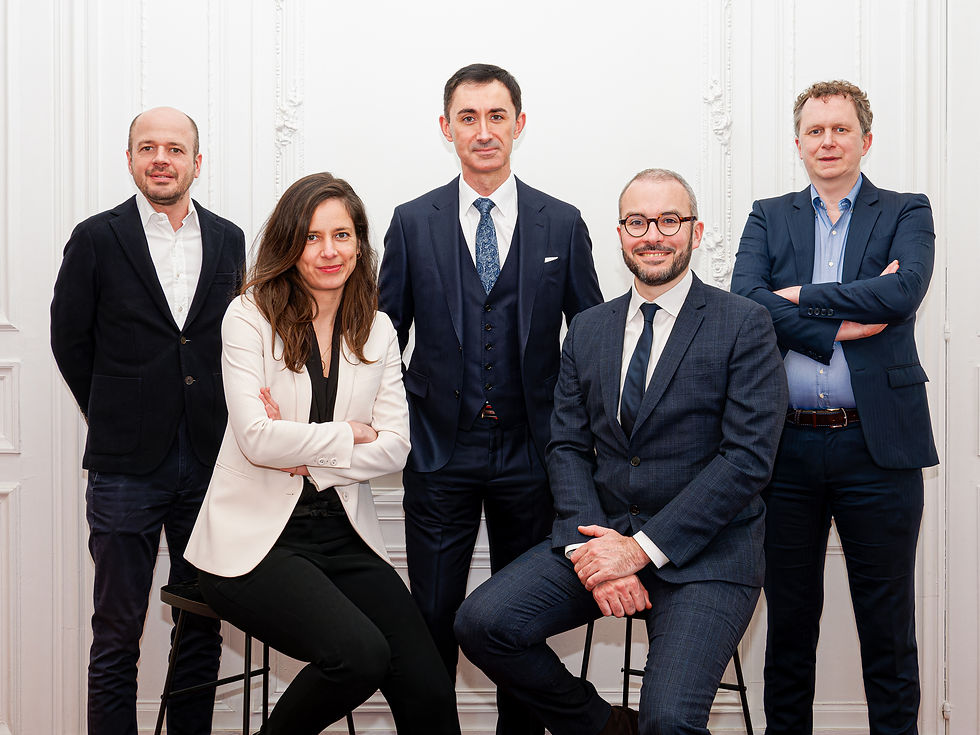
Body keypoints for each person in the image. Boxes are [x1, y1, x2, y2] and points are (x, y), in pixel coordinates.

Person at [454, 168, 788, 735]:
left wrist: (640, 552)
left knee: (668, 722)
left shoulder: (744, 324)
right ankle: (602, 725)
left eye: (668, 221)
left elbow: (746, 460)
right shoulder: (588, 329)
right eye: (638, 221)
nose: (652, 234)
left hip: (707, 557)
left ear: (696, 230)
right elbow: (565, 445)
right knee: (482, 623)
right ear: (620, 232)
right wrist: (599, 554)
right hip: (601, 537)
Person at [184, 172, 460, 735]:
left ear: (360, 242)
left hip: (343, 534)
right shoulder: (249, 316)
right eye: (312, 237)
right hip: (254, 543)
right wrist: (347, 433)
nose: (329, 251)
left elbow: (396, 448)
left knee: (430, 687)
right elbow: (257, 439)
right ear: (290, 243)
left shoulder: (377, 329)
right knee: (358, 656)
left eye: (341, 235)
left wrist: (304, 446)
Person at [378, 63, 602, 731]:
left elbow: (588, 336)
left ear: (519, 125)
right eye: (468, 117)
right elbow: (385, 335)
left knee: (518, 618)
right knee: (432, 616)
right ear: (446, 129)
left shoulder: (561, 223)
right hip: (438, 450)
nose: (483, 130)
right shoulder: (411, 222)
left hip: (533, 455)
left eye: (496, 116)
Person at [731, 80, 938, 735]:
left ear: (865, 139)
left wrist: (800, 297)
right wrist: (843, 321)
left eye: (840, 129)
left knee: (888, 629)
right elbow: (748, 300)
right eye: (815, 131)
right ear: (798, 143)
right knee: (789, 627)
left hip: (878, 448)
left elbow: (902, 291)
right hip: (786, 450)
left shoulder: (907, 209)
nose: (827, 141)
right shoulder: (768, 214)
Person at [50, 107, 244, 735]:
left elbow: (234, 343)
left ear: (196, 160)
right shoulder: (96, 237)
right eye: (147, 147)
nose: (161, 158)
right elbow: (68, 339)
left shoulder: (229, 238)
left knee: (200, 624)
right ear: (130, 159)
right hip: (125, 465)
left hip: (211, 463)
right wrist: (115, 408)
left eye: (175, 148)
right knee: (117, 632)